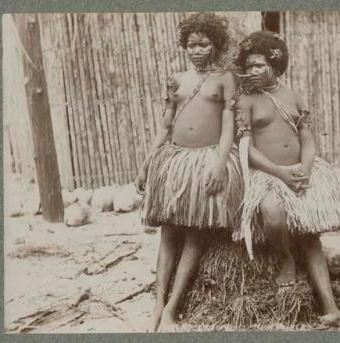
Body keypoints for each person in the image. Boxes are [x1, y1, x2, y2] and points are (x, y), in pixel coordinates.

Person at [233, 31, 340, 325]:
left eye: (259, 65)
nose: (252, 71)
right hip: (266, 174)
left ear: (276, 65)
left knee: (311, 237)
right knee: (272, 212)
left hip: (299, 171)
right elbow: (247, 149)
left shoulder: (294, 97)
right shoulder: (246, 102)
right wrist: (279, 173)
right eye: (249, 66)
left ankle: (331, 309)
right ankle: (286, 259)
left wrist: (305, 169)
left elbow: (307, 138)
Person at [135, 12, 243, 332]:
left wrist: (221, 164)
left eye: (204, 44)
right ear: (184, 46)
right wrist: (147, 162)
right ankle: (157, 303)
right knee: (168, 232)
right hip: (176, 161)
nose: (197, 50)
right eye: (191, 45)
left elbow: (227, 128)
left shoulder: (225, 78)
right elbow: (166, 125)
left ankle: (172, 306)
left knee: (195, 232)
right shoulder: (177, 80)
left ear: (215, 44)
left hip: (206, 161)